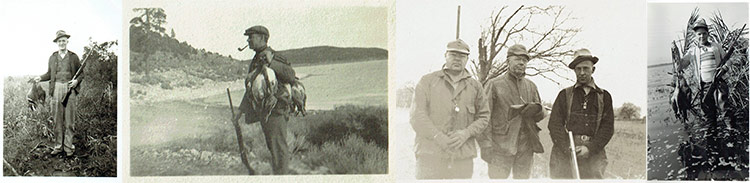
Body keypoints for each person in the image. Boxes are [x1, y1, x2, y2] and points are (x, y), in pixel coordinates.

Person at [410, 39, 490, 179]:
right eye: (453, 55)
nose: (457, 59)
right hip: (430, 155)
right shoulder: (427, 81)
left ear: (467, 59)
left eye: (462, 56)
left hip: (462, 157)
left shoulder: (476, 86)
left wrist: (466, 133)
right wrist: (437, 136)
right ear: (445, 55)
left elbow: (484, 116)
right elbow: (417, 115)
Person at [233, 25, 296, 175]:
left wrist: (271, 62)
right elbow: (252, 89)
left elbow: (290, 75)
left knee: (278, 149)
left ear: (262, 38)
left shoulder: (273, 55)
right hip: (266, 113)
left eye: (251, 37)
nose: (248, 40)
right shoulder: (256, 59)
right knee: (273, 148)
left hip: (276, 111)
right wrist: (240, 111)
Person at [477, 44, 545, 179]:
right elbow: (484, 116)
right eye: (517, 59)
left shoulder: (531, 86)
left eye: (525, 60)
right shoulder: (494, 84)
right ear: (508, 61)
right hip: (500, 147)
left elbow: (540, 114)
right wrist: (486, 144)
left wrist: (537, 110)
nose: (521, 63)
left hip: (525, 147)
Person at [548, 48, 614, 179]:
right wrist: (568, 149)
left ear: (593, 70)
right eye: (578, 69)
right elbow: (554, 125)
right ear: (574, 70)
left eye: (586, 68)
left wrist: (590, 149)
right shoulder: (564, 95)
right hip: (565, 152)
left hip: (593, 153)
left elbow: (607, 128)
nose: (582, 73)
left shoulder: (604, 96)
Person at [34, 30, 83, 157]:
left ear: (67, 41)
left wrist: (76, 81)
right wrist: (40, 77)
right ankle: (58, 146)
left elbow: (81, 72)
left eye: (64, 40)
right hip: (56, 89)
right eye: (59, 41)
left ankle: (68, 148)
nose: (62, 43)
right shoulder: (53, 57)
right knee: (57, 120)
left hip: (70, 89)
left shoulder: (73, 57)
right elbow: (49, 74)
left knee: (69, 120)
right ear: (57, 42)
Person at [677, 18, 729, 127]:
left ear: (708, 34)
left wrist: (725, 68)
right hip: (704, 86)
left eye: (704, 34)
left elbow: (729, 60)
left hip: (719, 83)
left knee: (724, 108)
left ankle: (731, 131)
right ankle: (712, 134)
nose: (702, 36)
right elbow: (683, 64)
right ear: (696, 35)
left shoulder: (716, 46)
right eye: (699, 34)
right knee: (708, 111)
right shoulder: (693, 50)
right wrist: (676, 57)